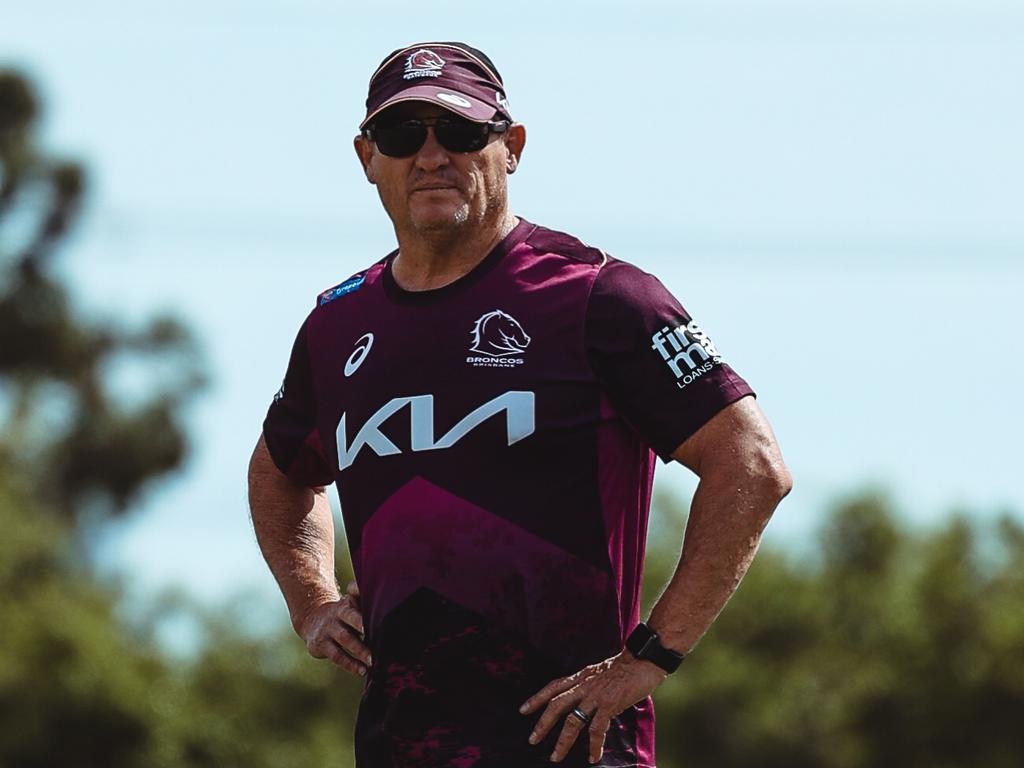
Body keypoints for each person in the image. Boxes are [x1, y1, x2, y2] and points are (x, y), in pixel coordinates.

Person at [248, 41, 792, 768]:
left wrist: (650, 657)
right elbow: (280, 472)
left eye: (463, 132)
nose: (432, 155)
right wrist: (312, 602)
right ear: (367, 157)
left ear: (512, 146)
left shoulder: (602, 296)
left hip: (576, 749)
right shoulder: (336, 325)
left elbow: (751, 466)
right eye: (404, 134)